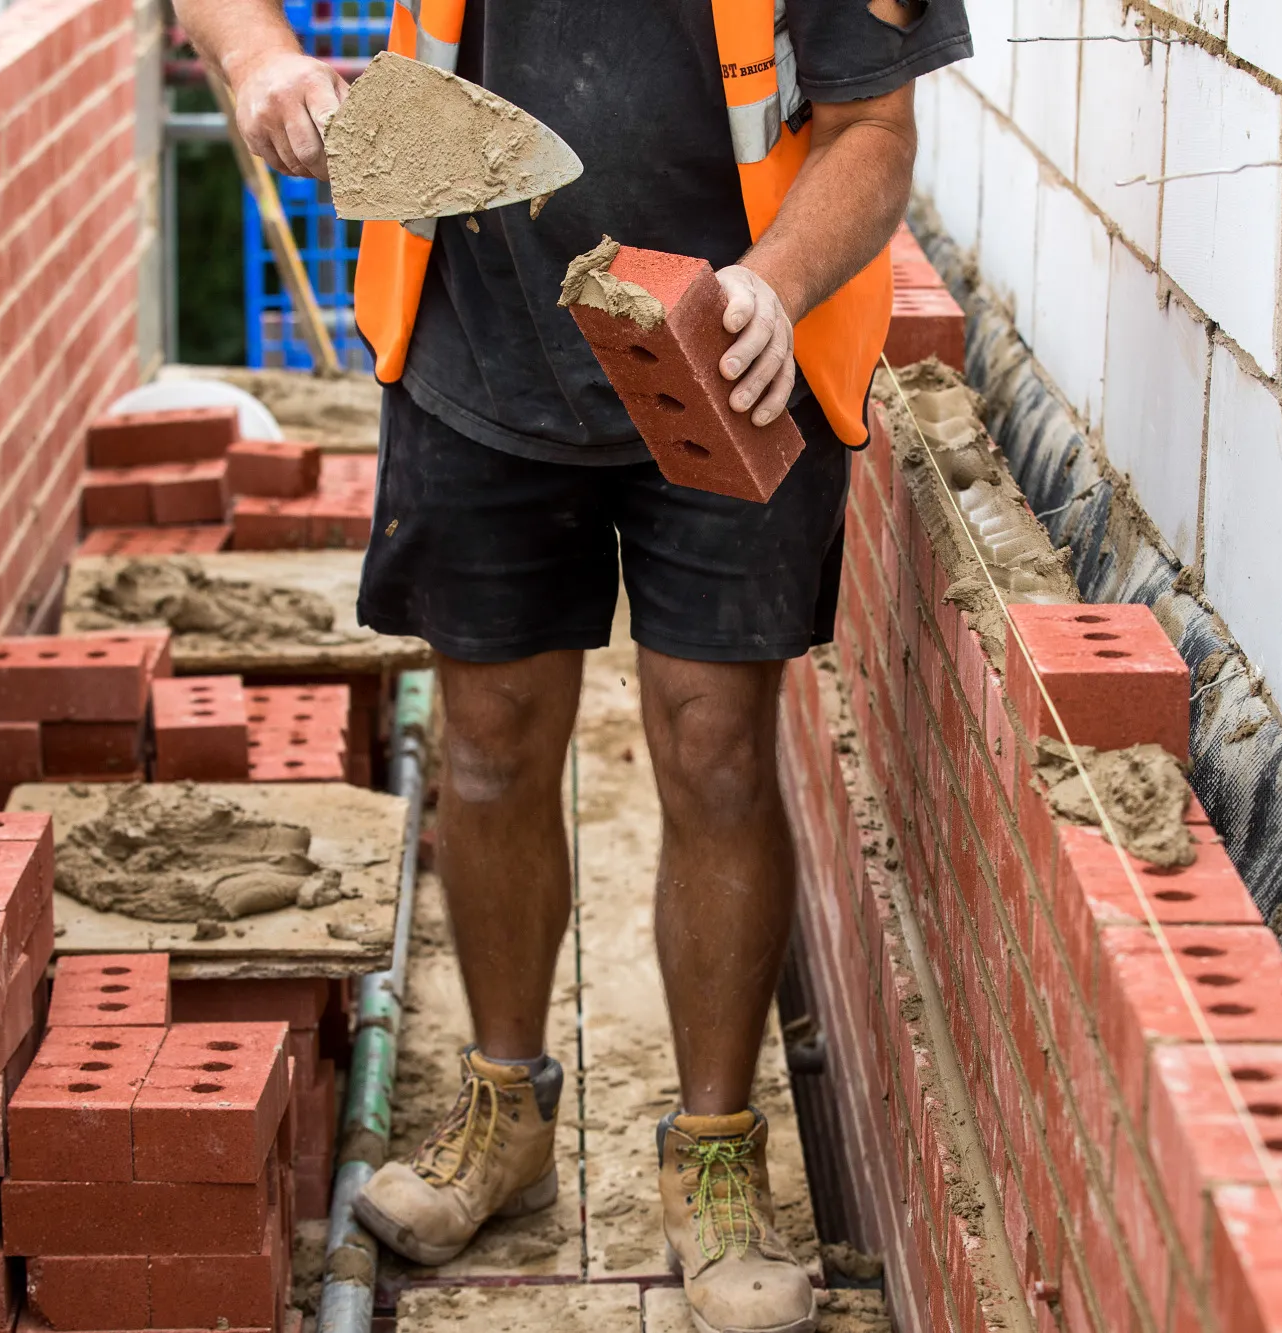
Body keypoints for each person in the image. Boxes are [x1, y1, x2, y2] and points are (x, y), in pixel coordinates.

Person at [175, 3, 971, 1329]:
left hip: (727, 356)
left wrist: (773, 281)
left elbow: (874, 130)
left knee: (714, 748)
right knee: (484, 742)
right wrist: (255, 57)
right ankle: (504, 1113)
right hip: (474, 342)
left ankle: (717, 1161)